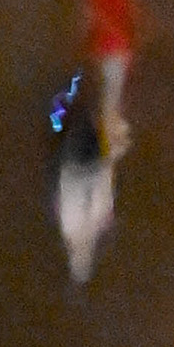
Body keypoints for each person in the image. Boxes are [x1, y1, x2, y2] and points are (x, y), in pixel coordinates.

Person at [50, 68, 115, 285]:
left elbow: (97, 197)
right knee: (79, 121)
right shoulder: (79, 227)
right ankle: (78, 87)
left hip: (80, 163)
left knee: (78, 121)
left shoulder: (86, 226)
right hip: (80, 163)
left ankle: (77, 87)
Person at [80, 0, 141, 154]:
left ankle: (105, 133)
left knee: (112, 90)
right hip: (108, 49)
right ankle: (105, 138)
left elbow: (127, 23)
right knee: (110, 90)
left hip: (116, 50)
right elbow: (94, 17)